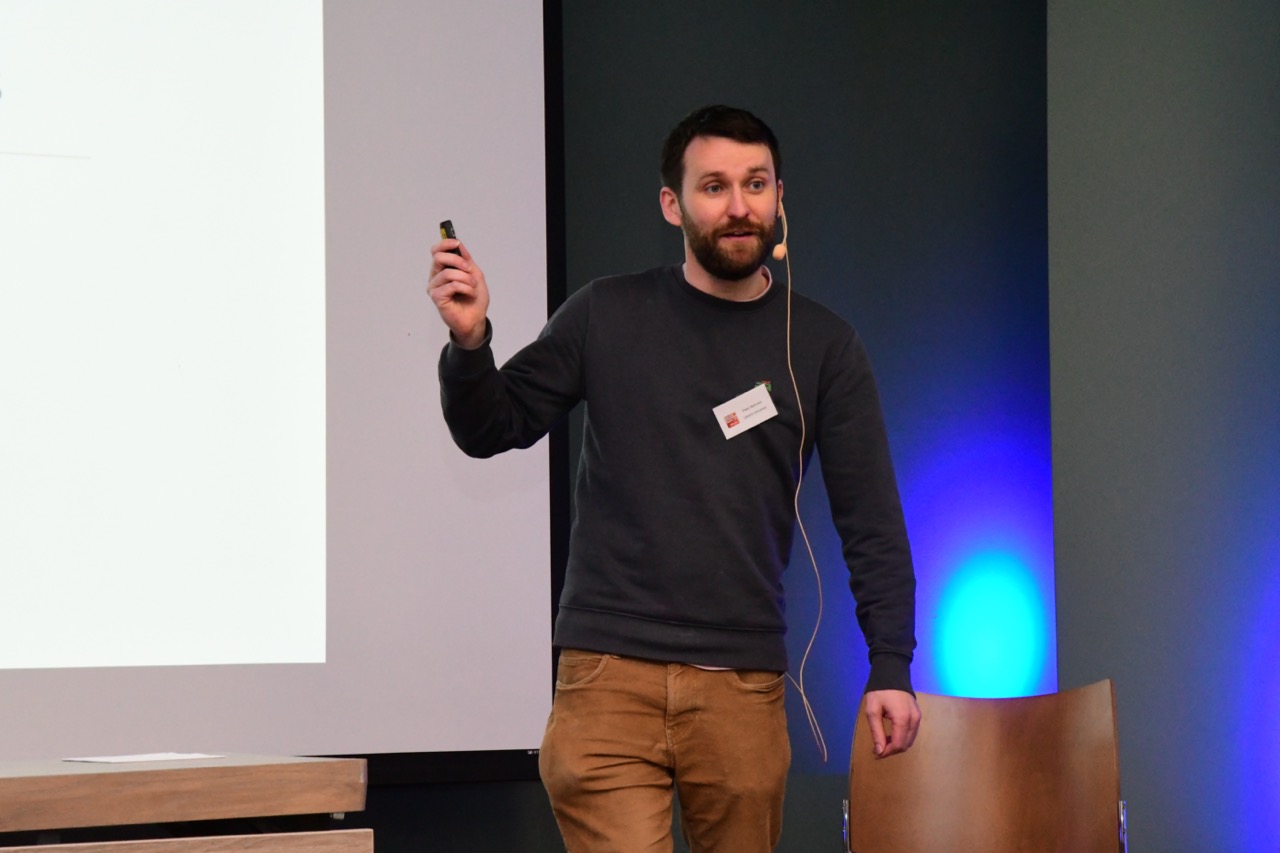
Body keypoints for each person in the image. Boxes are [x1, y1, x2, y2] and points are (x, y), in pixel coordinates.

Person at [428, 104, 920, 852]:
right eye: (714, 186)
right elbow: (491, 426)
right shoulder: (605, 313)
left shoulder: (823, 346)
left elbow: (872, 520)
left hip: (742, 687)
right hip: (607, 679)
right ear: (672, 204)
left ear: (779, 197)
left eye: (755, 183)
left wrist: (890, 663)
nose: (738, 206)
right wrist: (471, 343)